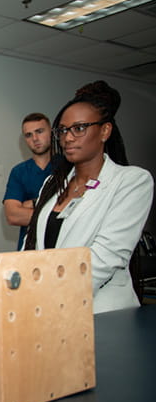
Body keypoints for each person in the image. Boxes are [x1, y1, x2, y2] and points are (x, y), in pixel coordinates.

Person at [24, 80, 153, 314]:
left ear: (105, 131)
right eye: (63, 130)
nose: (68, 138)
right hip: (48, 307)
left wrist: (51, 296)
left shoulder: (132, 181)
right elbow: (32, 245)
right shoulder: (53, 184)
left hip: (102, 312)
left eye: (79, 128)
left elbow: (105, 258)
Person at [3, 113, 53, 250]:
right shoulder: (19, 172)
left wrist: (31, 204)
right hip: (29, 249)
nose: (35, 139)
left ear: (51, 132)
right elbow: (13, 216)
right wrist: (54, 210)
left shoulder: (67, 167)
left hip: (62, 248)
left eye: (40, 131)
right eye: (28, 135)